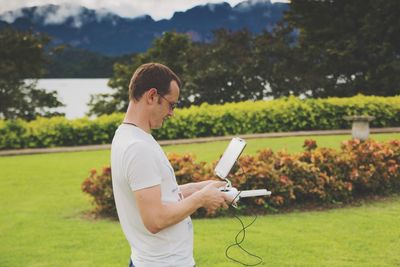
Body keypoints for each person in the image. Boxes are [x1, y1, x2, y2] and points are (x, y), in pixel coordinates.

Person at [111, 62, 229, 267]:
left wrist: (198, 187)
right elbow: (155, 220)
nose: (171, 113)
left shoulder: (127, 136)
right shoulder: (138, 147)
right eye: (171, 104)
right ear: (152, 96)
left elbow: (150, 195)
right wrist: (201, 198)